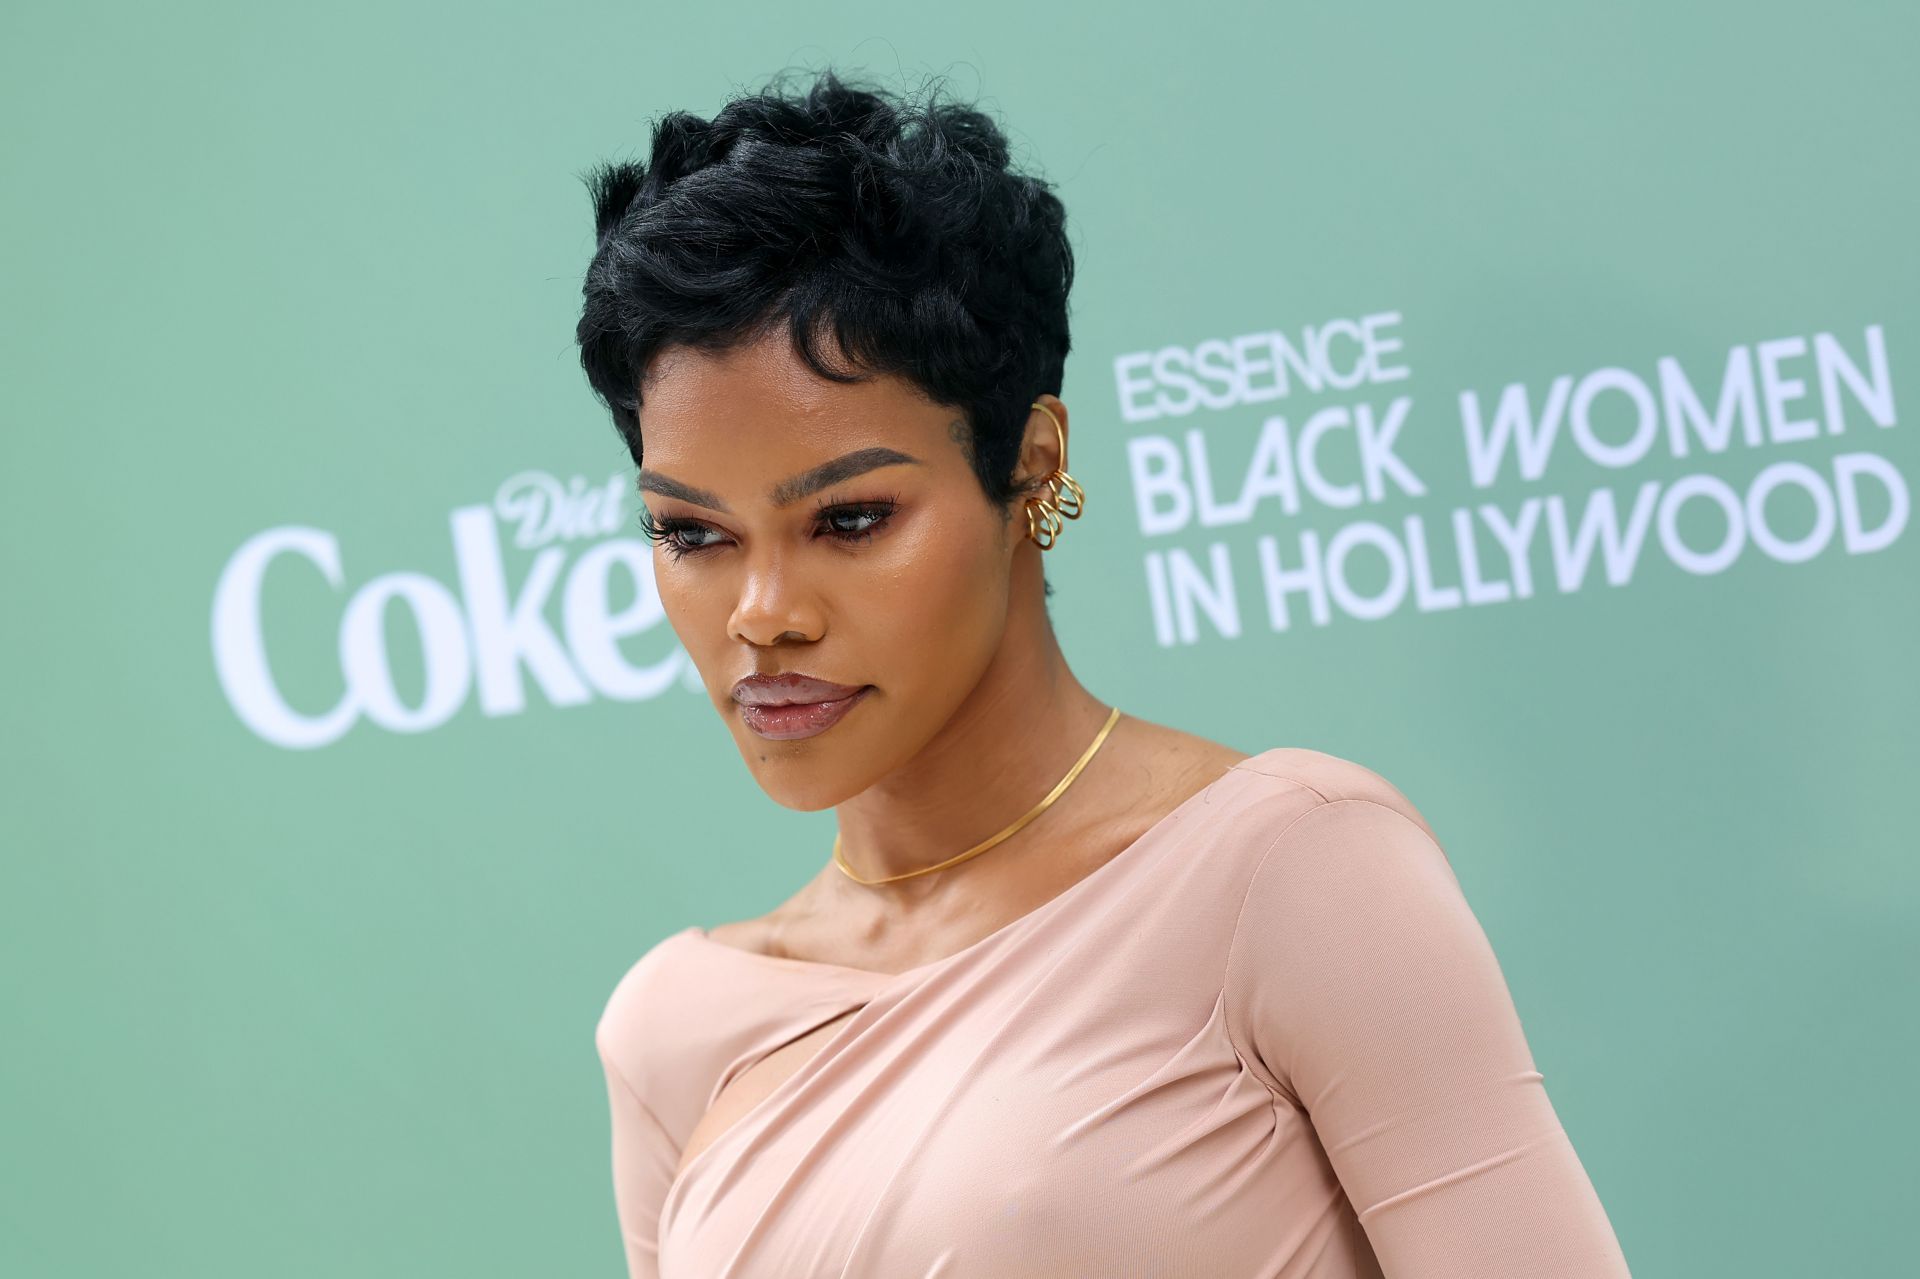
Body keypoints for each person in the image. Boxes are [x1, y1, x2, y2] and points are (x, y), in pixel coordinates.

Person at [574, 67, 1631, 1278]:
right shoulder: (670, 1030)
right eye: (693, 534)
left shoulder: (1291, 870)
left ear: (1031, 464)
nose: (763, 616)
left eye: (851, 520)